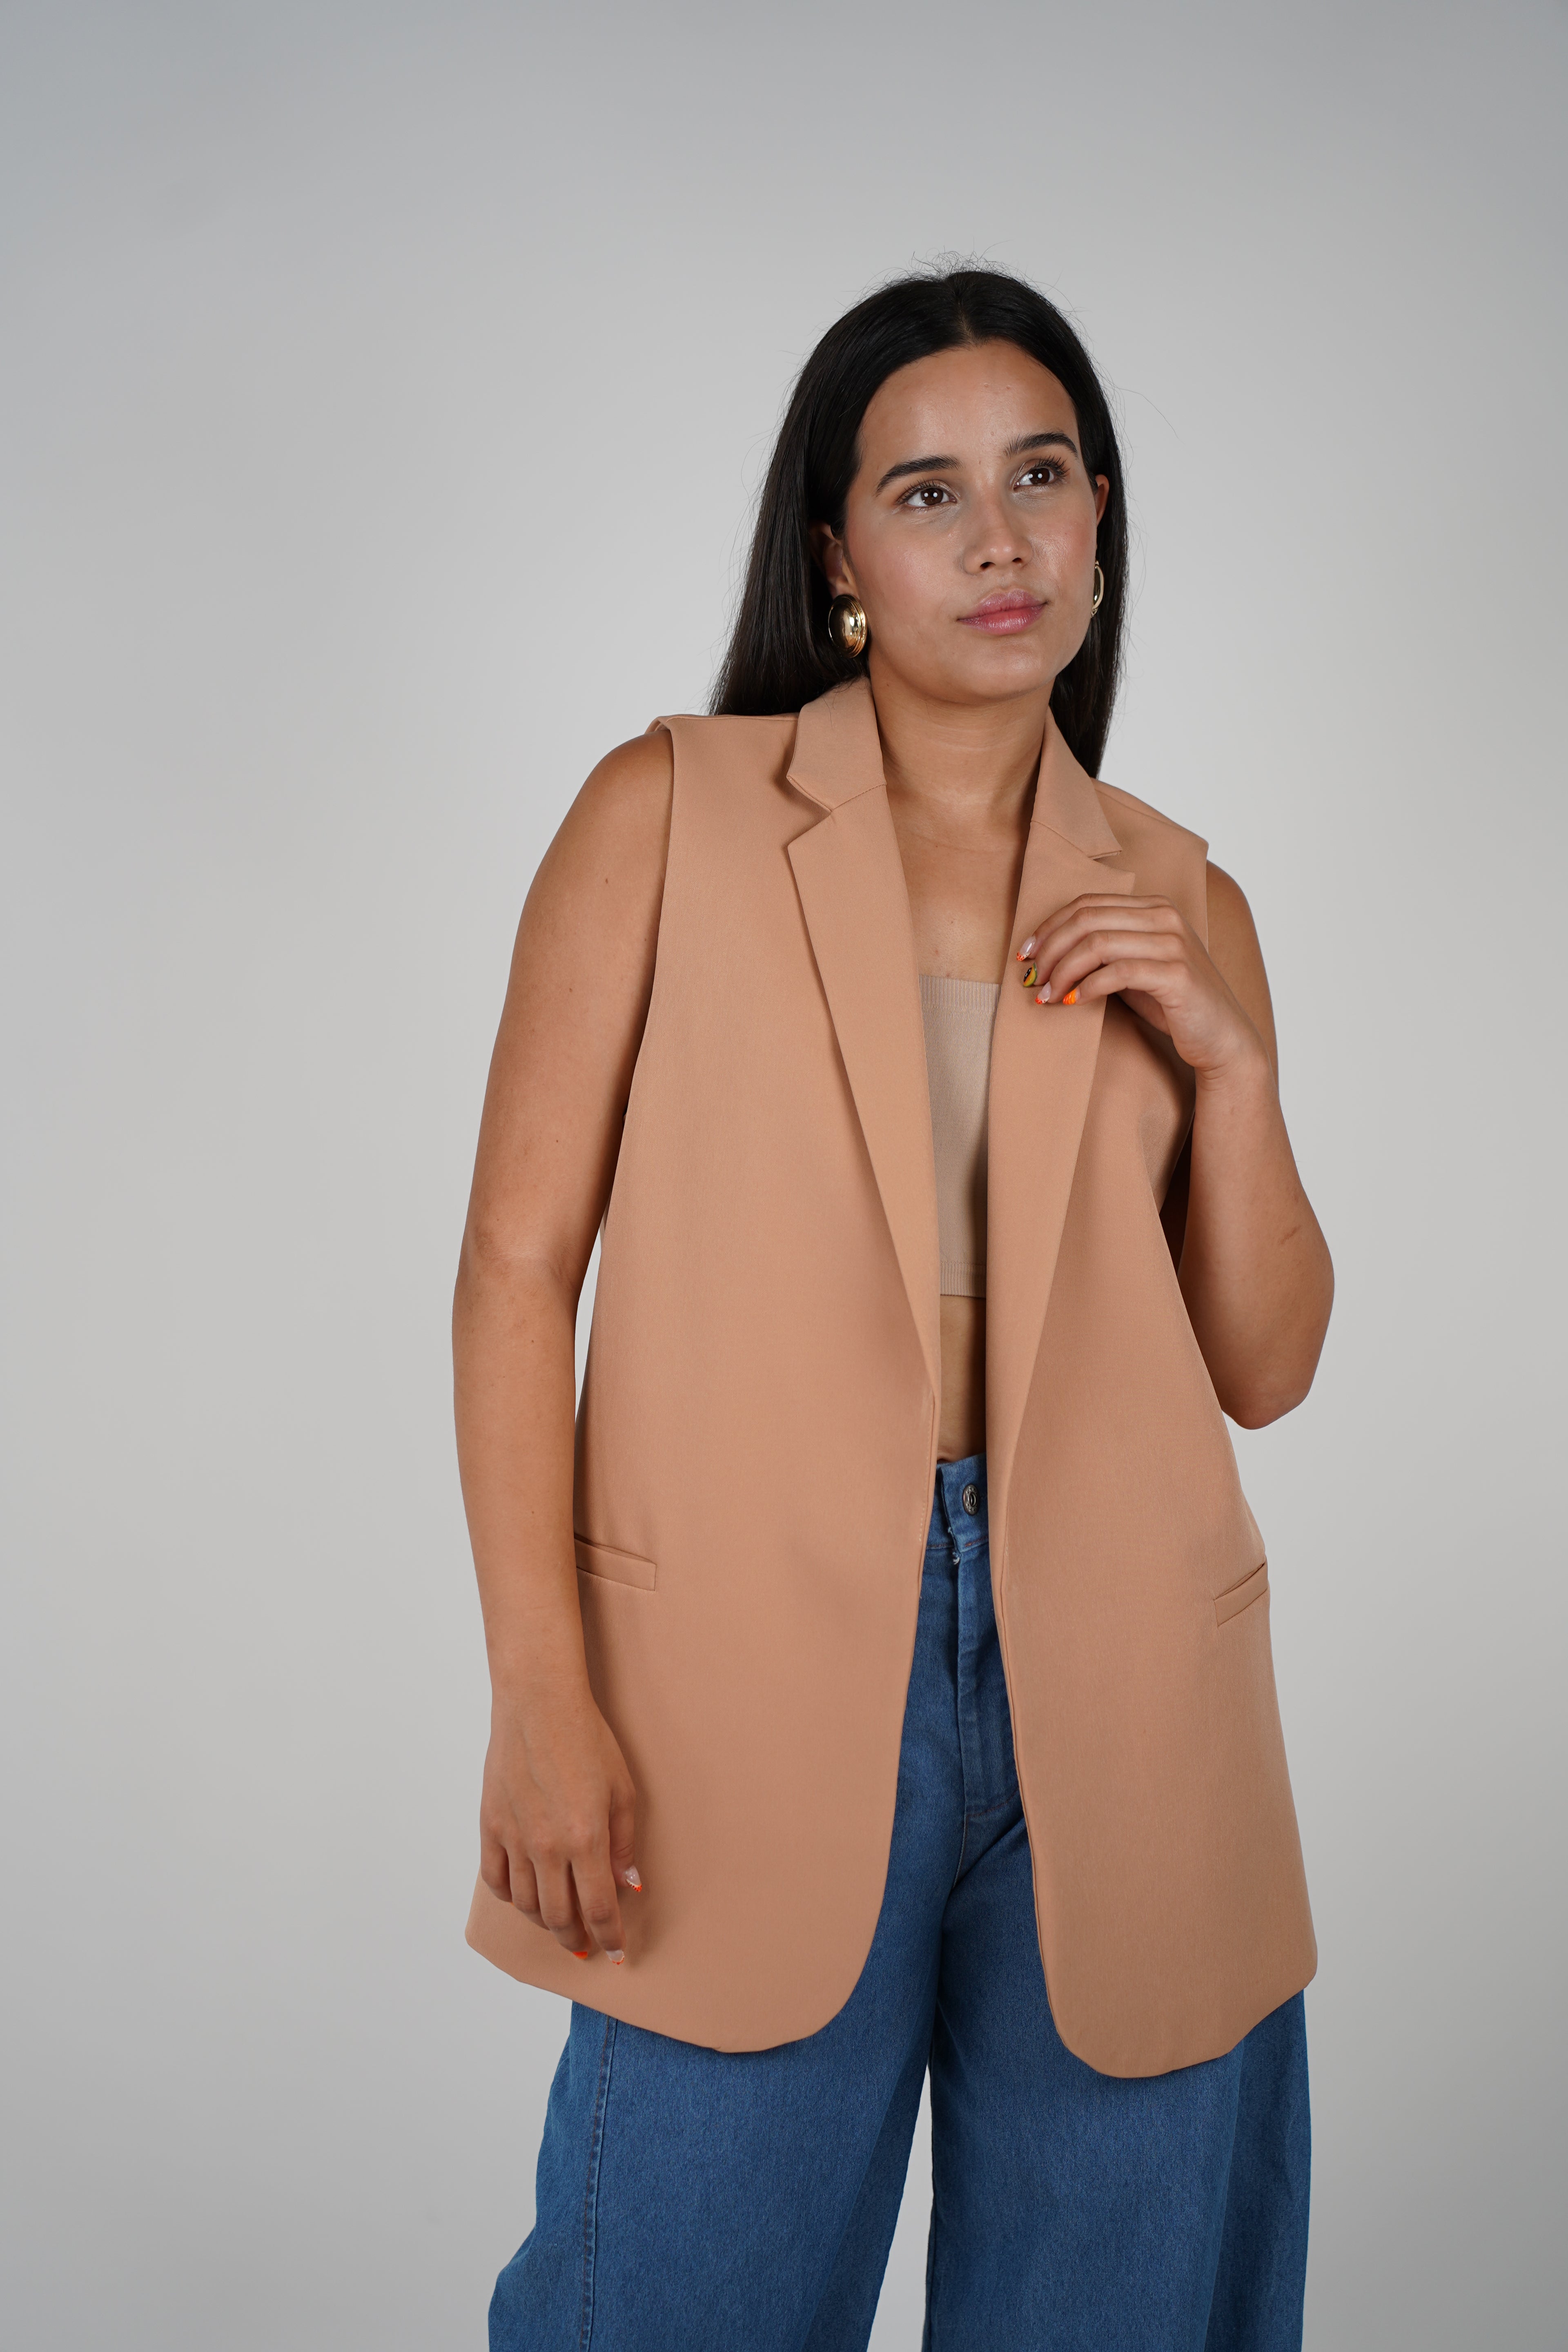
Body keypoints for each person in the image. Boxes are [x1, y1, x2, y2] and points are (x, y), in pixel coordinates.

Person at [453, 266, 1333, 2351]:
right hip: (736, 1671)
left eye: (1042, 476)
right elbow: (514, 1269)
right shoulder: (668, 814)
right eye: (928, 494)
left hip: (1130, 1686)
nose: (999, 538)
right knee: (675, 2295)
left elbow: (1269, 1366)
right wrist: (541, 1695)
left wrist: (1235, 1069)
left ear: (1101, 521)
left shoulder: (1185, 897)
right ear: (839, 557)